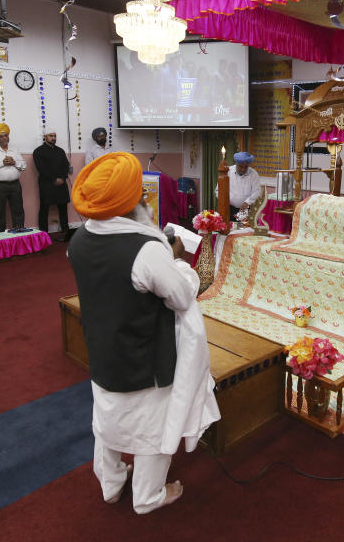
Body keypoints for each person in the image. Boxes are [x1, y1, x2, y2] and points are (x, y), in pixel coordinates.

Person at [67, 151, 219, 514]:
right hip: (145, 357)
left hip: (103, 350)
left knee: (107, 418)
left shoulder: (80, 239)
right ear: (133, 200)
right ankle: (148, 496)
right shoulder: (147, 249)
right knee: (152, 428)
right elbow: (182, 297)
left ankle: (112, 482)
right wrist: (178, 259)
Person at [33, 129, 71, 238]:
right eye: (51, 136)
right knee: (44, 208)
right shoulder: (38, 151)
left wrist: (62, 178)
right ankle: (43, 233)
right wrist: (54, 179)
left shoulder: (60, 151)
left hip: (61, 183)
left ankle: (65, 229)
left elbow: (66, 166)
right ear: (45, 137)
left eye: (55, 136)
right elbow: (41, 168)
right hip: (47, 184)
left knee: (63, 207)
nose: (53, 138)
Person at [216, 151, 261, 219]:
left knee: (244, 228)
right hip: (228, 208)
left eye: (245, 167)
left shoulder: (253, 174)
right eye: (240, 166)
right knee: (229, 228)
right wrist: (224, 200)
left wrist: (247, 202)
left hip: (246, 209)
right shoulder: (227, 171)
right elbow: (218, 190)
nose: (243, 169)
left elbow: (257, 191)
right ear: (236, 164)